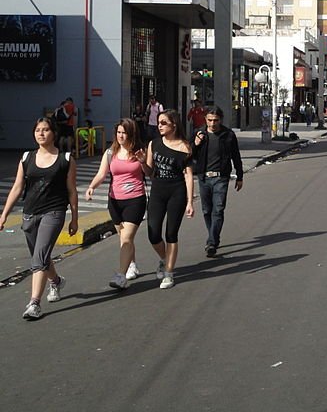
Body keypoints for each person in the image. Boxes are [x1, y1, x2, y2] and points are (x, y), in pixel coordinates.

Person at [0, 116, 78, 320]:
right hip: (30, 212)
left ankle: (34, 303)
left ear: (54, 133)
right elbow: (18, 187)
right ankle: (57, 282)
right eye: (37, 130)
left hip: (54, 212)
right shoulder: (27, 158)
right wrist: (4, 214)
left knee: (39, 256)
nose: (41, 133)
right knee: (40, 256)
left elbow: (71, 190)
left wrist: (75, 218)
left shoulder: (66, 159)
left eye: (45, 130)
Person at [85, 118, 148, 290]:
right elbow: (101, 174)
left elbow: (150, 173)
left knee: (127, 238)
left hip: (135, 199)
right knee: (123, 238)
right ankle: (132, 264)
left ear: (131, 134)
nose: (121, 136)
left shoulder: (139, 152)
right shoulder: (110, 152)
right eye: (119, 132)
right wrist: (91, 187)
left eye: (124, 132)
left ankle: (121, 276)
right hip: (114, 201)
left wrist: (143, 161)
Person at [142, 109, 193, 289]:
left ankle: (169, 273)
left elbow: (188, 175)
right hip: (157, 191)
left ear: (174, 124)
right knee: (153, 232)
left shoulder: (184, 147)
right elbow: (149, 172)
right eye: (159, 122)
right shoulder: (153, 144)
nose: (160, 126)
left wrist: (189, 202)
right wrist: (142, 162)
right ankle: (165, 259)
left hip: (176, 192)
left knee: (171, 233)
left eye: (164, 122)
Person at [192, 105, 243, 257]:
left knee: (218, 209)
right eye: (210, 120)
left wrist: (239, 176)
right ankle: (213, 236)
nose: (213, 124)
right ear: (205, 120)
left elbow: (236, 156)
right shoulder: (198, 133)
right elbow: (188, 154)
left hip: (221, 177)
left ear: (220, 120)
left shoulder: (228, 135)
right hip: (203, 177)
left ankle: (212, 242)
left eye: (216, 120)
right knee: (207, 210)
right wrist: (195, 144)